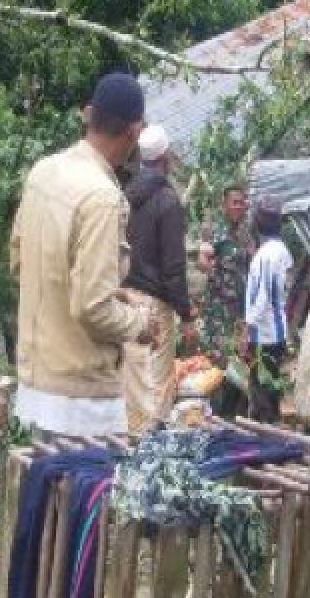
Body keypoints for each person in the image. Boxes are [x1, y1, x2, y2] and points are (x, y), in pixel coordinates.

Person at [9, 72, 158, 442]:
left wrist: (110, 294)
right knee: (88, 499)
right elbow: (92, 307)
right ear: (135, 131)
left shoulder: (45, 171)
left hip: (35, 386)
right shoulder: (101, 199)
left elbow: (22, 263)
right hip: (80, 403)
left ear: (90, 115)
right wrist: (138, 324)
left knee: (41, 495)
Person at [122, 124, 193, 433]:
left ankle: (130, 440)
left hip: (125, 299)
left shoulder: (125, 195)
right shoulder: (166, 200)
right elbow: (173, 265)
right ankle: (151, 454)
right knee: (158, 385)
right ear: (166, 157)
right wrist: (186, 314)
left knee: (133, 380)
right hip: (154, 303)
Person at [242, 195, 293, 423]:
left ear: (258, 223)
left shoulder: (265, 256)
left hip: (263, 332)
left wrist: (247, 327)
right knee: (271, 385)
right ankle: (272, 427)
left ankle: (265, 433)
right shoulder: (282, 251)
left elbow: (262, 298)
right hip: (276, 329)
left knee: (261, 389)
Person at [197, 185, 253, 362]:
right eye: (234, 203)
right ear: (225, 205)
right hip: (220, 309)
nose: (238, 207)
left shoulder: (247, 233)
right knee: (218, 357)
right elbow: (201, 261)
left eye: (241, 203)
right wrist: (213, 274)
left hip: (241, 307)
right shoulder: (216, 232)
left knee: (239, 357)